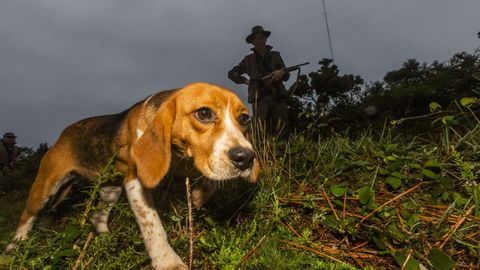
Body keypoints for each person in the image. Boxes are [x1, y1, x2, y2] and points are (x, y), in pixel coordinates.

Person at [228, 25, 290, 139]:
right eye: (256, 39)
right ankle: (262, 154)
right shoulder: (248, 59)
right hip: (259, 98)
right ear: (252, 42)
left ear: (265, 39)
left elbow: (287, 75)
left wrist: (281, 73)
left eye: (261, 37)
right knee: (260, 131)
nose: (259, 41)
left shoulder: (276, 55)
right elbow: (232, 73)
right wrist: (245, 81)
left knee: (282, 130)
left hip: (278, 96)